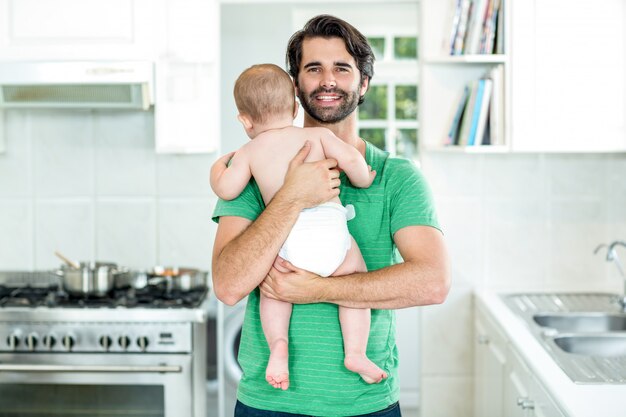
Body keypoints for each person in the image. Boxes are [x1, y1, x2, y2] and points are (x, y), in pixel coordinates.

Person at [212, 14, 450, 417]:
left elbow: (432, 283)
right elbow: (229, 285)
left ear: (364, 83)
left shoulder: (398, 178)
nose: (327, 80)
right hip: (268, 405)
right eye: (313, 69)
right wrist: (291, 197)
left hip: (365, 405)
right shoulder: (255, 175)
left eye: (342, 68)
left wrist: (315, 289)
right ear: (294, 85)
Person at [209, 63, 386, 390]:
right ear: (294, 106)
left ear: (244, 120)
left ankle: (278, 346)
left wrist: (218, 169)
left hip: (290, 242)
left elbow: (226, 189)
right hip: (331, 235)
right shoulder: (318, 135)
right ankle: (356, 353)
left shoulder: (248, 152)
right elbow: (351, 161)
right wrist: (364, 177)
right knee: (355, 278)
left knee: (274, 291)